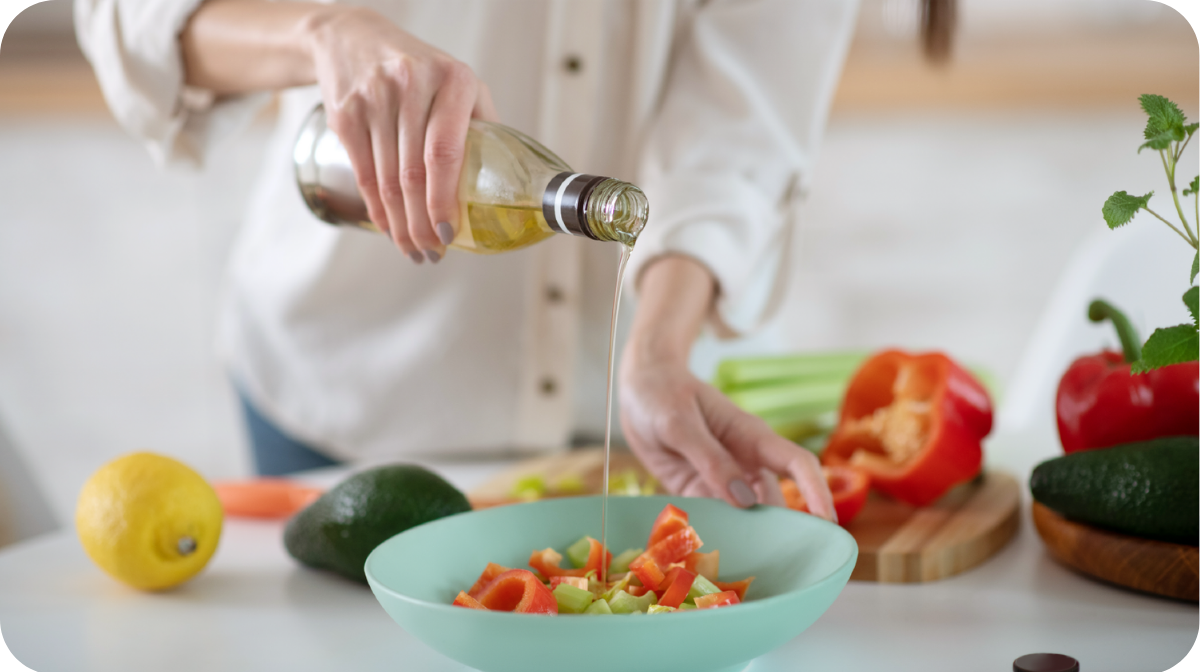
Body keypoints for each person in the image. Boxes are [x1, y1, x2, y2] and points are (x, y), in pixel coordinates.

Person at [75, 0, 861, 520]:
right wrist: (322, 29)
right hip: (349, 394)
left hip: (639, 430)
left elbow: (736, 132)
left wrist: (655, 351)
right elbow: (128, 17)